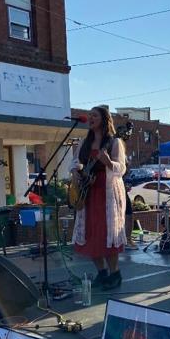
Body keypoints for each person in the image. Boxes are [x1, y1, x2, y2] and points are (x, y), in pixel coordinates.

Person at [71, 106, 127, 290]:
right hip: (88, 191)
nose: (90, 118)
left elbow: (122, 168)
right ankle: (102, 273)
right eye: (89, 116)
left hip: (106, 191)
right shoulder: (83, 143)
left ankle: (115, 273)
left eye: (94, 115)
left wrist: (109, 162)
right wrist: (76, 172)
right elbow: (76, 163)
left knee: (106, 232)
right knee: (90, 232)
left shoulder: (114, 142)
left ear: (104, 119)